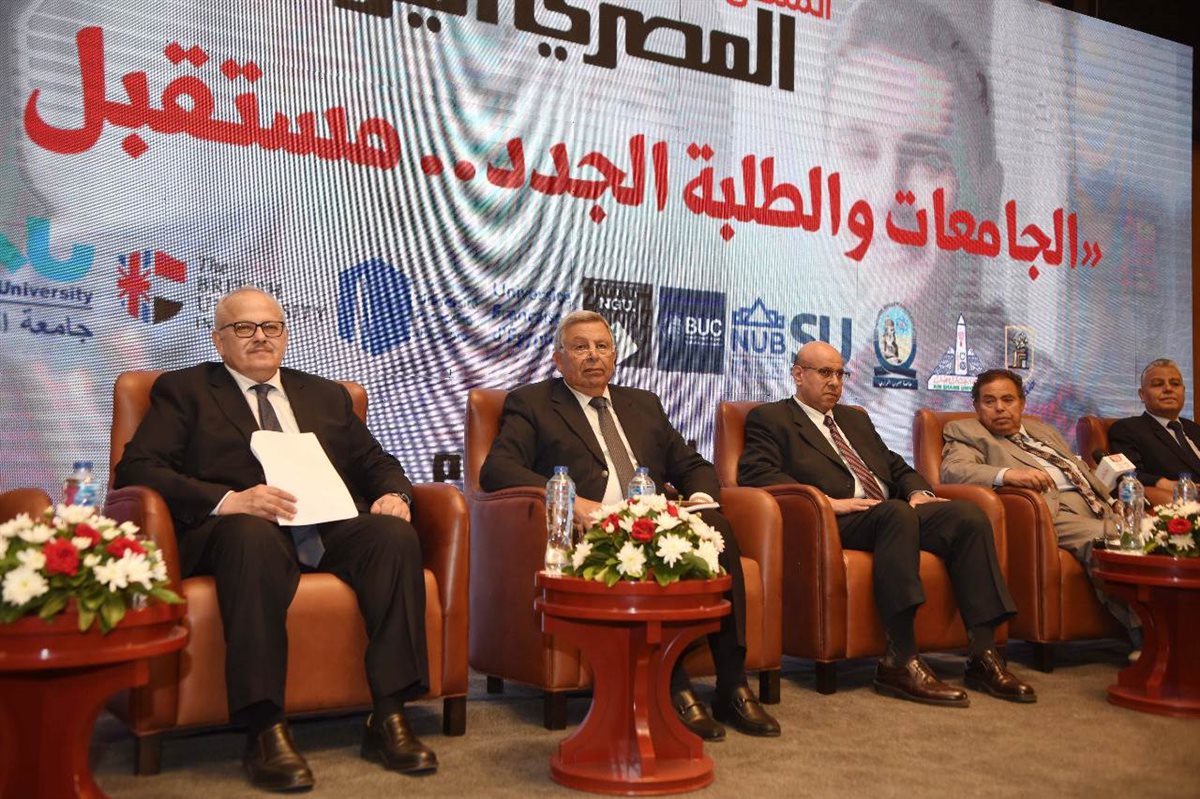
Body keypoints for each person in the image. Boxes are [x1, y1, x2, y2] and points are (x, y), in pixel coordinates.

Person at [114, 287, 435, 792]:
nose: (260, 337)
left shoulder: (325, 395)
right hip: (236, 532)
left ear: (285, 335)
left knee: (391, 537)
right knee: (252, 535)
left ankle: (389, 715)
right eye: (244, 328)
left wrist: (395, 494)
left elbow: (377, 463)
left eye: (271, 327)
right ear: (219, 340)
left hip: (324, 525)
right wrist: (228, 500)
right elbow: (137, 468)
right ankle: (264, 726)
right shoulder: (186, 390)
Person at [480, 310, 780, 739]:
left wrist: (698, 501)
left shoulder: (643, 404)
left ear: (615, 356)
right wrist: (570, 500)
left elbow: (692, 465)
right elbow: (498, 469)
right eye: (580, 347)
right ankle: (674, 689)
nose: (593, 355)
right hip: (593, 527)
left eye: (602, 346)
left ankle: (733, 686)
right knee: (638, 550)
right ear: (558, 359)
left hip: (653, 518)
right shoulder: (532, 403)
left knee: (716, 526)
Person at [738, 341, 1034, 706]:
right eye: (825, 373)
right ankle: (900, 660)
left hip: (888, 514)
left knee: (967, 517)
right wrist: (825, 502)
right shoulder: (772, 418)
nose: (834, 382)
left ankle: (983, 655)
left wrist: (917, 492)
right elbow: (756, 473)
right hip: (832, 521)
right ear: (798, 375)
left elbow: (895, 466)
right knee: (895, 514)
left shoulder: (854, 419)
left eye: (840, 374)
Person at [940, 368, 1140, 641]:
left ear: (1022, 403)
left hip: (1094, 506)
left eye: (1008, 400)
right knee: (1111, 539)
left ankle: (1176, 626)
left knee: (1158, 535)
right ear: (976, 406)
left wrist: (1112, 501)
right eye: (989, 401)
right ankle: (1145, 634)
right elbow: (954, 470)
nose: (999, 408)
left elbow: (1077, 469)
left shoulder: (1042, 429)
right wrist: (1008, 475)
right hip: (1047, 514)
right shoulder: (966, 431)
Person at [1108, 358, 1200, 493]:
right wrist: (1164, 484)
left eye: (1175, 384)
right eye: (1157, 384)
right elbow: (1127, 474)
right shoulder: (1127, 429)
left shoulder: (1195, 429)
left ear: (1183, 391)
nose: (1168, 389)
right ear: (1142, 394)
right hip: (1179, 500)